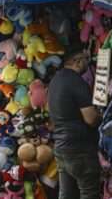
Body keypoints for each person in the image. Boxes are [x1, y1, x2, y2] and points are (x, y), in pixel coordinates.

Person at [48, 48, 101, 199]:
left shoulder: (55, 80)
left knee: (67, 194)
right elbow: (90, 118)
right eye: (86, 60)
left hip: (61, 148)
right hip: (79, 149)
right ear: (77, 61)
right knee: (89, 193)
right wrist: (100, 117)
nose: (87, 63)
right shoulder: (76, 81)